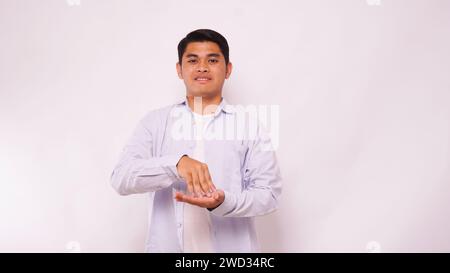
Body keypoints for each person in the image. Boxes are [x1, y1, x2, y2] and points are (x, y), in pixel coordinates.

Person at [110, 29, 282, 252]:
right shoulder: (155, 122)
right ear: (179, 70)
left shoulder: (249, 127)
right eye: (193, 60)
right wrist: (176, 164)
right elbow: (121, 178)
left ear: (228, 69)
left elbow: (269, 194)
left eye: (212, 60)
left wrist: (224, 202)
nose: (202, 67)